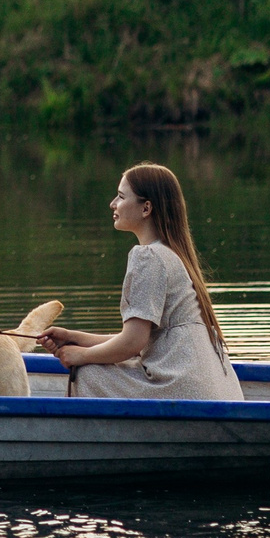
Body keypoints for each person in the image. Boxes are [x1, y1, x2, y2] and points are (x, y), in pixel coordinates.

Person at [38, 162, 241, 402]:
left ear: (146, 208)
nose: (113, 204)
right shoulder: (174, 254)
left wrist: (80, 356)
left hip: (181, 390)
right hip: (212, 392)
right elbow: (143, 339)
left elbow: (133, 343)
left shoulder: (148, 257)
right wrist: (75, 337)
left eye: (121, 197)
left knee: (88, 372)